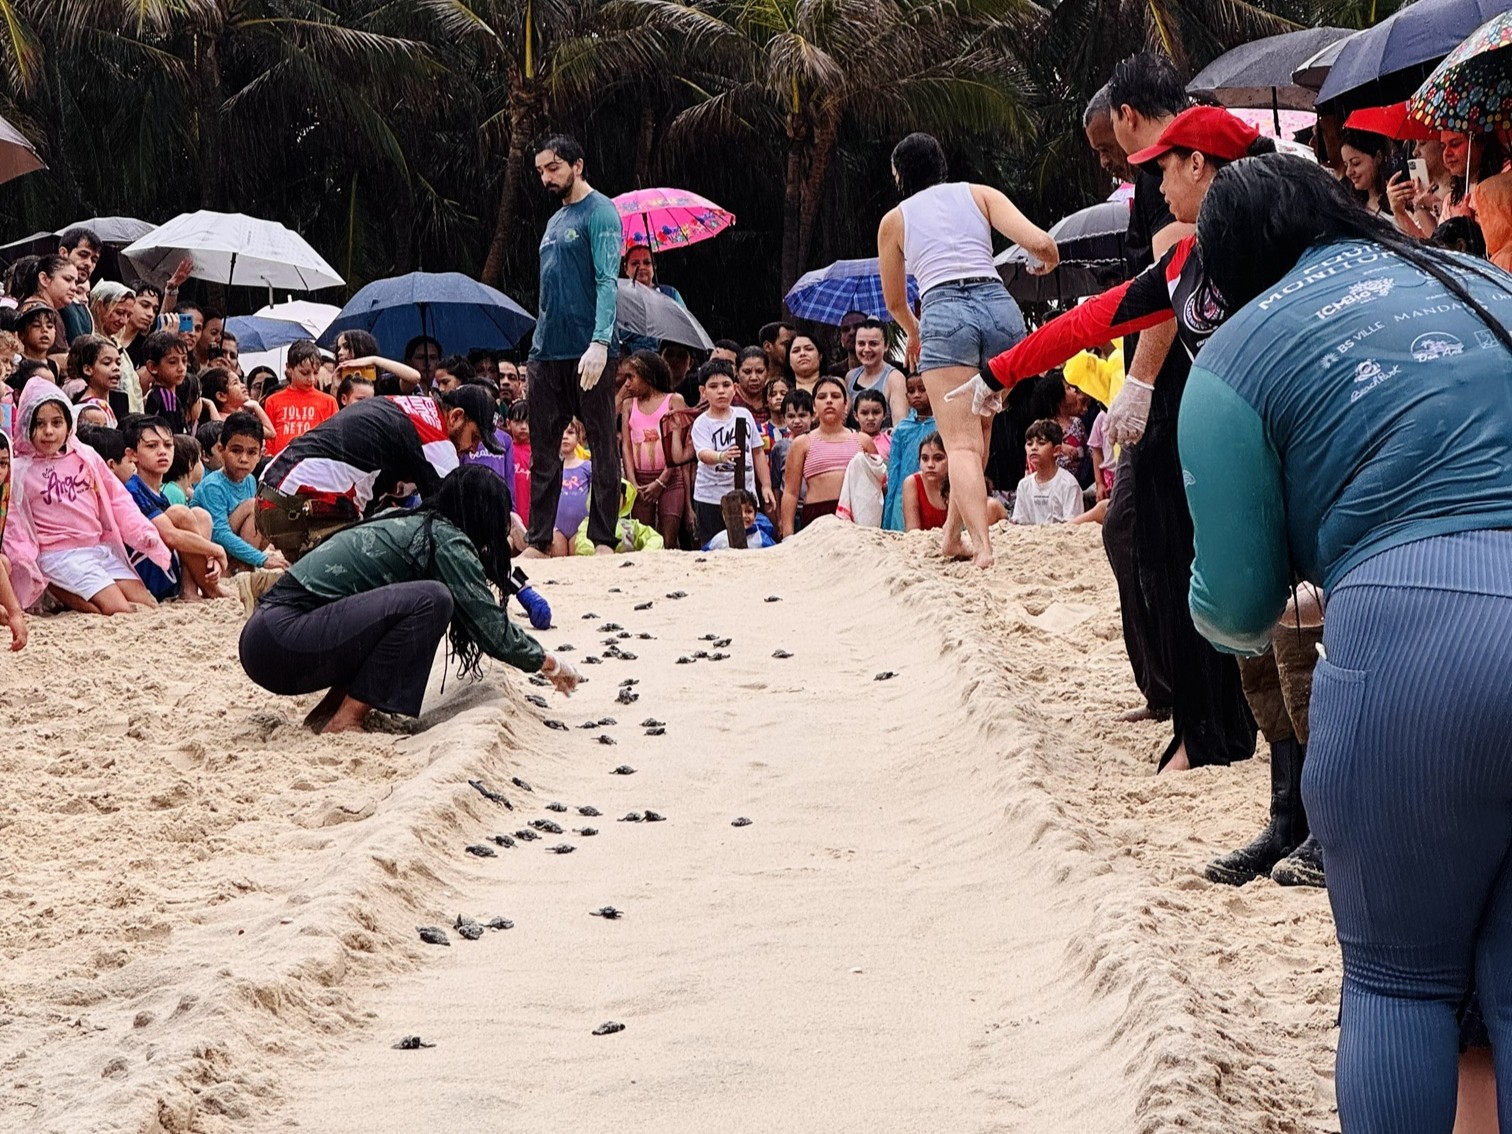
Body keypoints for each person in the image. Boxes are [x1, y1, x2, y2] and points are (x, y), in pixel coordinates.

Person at [1181, 151, 1512, 1134]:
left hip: (1413, 641)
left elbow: (1235, 607)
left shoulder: (1235, 357)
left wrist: (1294, 586)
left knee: (1398, 984)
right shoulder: (1484, 279)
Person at [240, 465, 578, 735]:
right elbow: (490, 628)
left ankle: (329, 715)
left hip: (270, 637)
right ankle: (347, 720)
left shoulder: (411, 523)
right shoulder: (446, 540)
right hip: (282, 640)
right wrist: (550, 663)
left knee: (395, 612)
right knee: (433, 599)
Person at [879, 130, 1057, 569]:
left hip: (943, 309)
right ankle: (950, 538)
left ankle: (983, 548)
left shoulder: (895, 219)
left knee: (959, 444)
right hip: (1000, 311)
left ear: (900, 174)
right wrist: (1046, 262)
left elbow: (895, 301)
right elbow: (1041, 243)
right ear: (942, 166)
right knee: (979, 437)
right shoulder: (979, 194)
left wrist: (915, 331)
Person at [256, 386, 502, 561]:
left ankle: (272, 588)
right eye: (476, 437)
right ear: (456, 416)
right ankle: (273, 591)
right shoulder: (435, 437)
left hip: (275, 494)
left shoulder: (409, 406)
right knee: (379, 569)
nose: (473, 449)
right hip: (298, 505)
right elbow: (456, 519)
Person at [524, 133, 622, 558]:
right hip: (547, 350)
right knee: (544, 449)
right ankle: (539, 539)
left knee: (602, 443)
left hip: (589, 349)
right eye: (541, 171)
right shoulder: (553, 222)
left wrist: (600, 341)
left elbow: (606, 280)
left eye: (553, 168)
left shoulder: (600, 212)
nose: (546, 178)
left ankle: (603, 538)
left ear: (576, 165)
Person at [3, 377, 173, 615]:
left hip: (97, 546)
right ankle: (55, 586)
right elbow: (13, 523)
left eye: (56, 422)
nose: (48, 431)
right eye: (39, 423)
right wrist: (26, 559)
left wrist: (142, 531)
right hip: (58, 555)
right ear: (25, 425)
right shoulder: (19, 469)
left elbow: (117, 499)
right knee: (118, 609)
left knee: (146, 602)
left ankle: (65, 590)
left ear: (69, 423)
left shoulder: (86, 455)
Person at [120, 415, 226, 601]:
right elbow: (171, 536)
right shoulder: (133, 490)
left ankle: (190, 590)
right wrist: (215, 551)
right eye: (152, 446)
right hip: (143, 571)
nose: (162, 452)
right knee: (180, 514)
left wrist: (209, 555)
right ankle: (212, 590)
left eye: (168, 445)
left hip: (163, 565)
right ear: (132, 454)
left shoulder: (159, 493)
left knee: (200, 515)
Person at [686, 359, 773, 544]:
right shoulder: (702, 422)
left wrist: (765, 485)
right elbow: (702, 454)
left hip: (745, 494)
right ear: (703, 391)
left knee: (747, 542)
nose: (721, 391)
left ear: (734, 388)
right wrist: (721, 456)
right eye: (713, 386)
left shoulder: (744, 415)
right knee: (713, 544)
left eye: (726, 385)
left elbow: (757, 452)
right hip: (711, 497)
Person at [780, 375, 875, 536]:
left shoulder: (863, 441)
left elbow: (878, 487)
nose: (829, 401)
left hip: (857, 516)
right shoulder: (802, 443)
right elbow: (791, 492)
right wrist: (788, 534)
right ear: (814, 407)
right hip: (816, 517)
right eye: (822, 397)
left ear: (846, 405)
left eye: (836, 396)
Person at [196, 411, 289, 572]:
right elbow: (220, 533)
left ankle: (243, 567)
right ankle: (241, 569)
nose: (244, 459)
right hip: (211, 553)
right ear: (221, 450)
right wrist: (262, 559)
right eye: (236, 451)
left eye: (251, 452)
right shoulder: (212, 486)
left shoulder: (250, 480)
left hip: (237, 550)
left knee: (266, 508)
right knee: (253, 506)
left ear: (261, 454)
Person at [619, 348, 687, 550]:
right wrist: (632, 482)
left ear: (647, 374)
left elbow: (679, 447)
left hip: (670, 479)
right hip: (639, 480)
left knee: (668, 541)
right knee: (643, 540)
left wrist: (661, 481)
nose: (627, 383)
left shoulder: (674, 400)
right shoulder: (629, 404)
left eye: (631, 377)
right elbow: (627, 446)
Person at [263, 340, 338, 456]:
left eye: (315, 372)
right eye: (304, 373)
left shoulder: (329, 402)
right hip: (280, 463)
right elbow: (269, 442)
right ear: (289, 368)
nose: (311, 379)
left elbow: (334, 440)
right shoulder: (272, 401)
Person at [883, 372, 934, 531]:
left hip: (935, 488)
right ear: (906, 396)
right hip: (902, 492)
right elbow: (894, 467)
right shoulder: (901, 429)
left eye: (922, 389)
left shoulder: (943, 426)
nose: (916, 395)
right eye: (911, 391)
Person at [1011, 419, 1084, 525]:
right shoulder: (1024, 485)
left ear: (1057, 450)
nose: (1034, 448)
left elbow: (1073, 524)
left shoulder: (1068, 484)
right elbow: (1019, 522)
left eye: (1041, 443)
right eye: (1029, 444)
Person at [572, 478, 665, 555]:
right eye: (606, 496)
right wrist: (603, 551)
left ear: (624, 501)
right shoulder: (588, 524)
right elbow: (582, 545)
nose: (610, 501)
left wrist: (642, 555)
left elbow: (655, 538)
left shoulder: (631, 526)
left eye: (616, 496)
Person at [846, 318, 907, 423]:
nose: (866, 349)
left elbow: (900, 426)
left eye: (873, 344)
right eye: (861, 344)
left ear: (886, 345)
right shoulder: (850, 377)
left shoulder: (895, 379)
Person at [68, 334, 130, 425]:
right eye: (107, 363)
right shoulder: (88, 409)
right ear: (88, 370)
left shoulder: (109, 402)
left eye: (118, 363)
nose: (116, 368)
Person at [902, 431, 950, 531]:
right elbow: (913, 532)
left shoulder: (960, 483)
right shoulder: (912, 483)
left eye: (938, 458)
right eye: (925, 458)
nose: (930, 465)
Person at [1339, 128, 1392, 218]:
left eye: (1356, 163)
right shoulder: (1352, 205)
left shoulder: (1397, 203)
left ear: (1378, 157)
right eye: (1346, 165)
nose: (1348, 172)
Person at [702, 489, 777, 550]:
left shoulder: (761, 539)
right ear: (725, 515)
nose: (744, 516)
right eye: (738, 512)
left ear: (755, 514)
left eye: (749, 511)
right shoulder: (719, 540)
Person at [852, 388, 891, 460]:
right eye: (864, 413)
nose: (870, 418)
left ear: (885, 414)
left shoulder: (891, 441)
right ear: (856, 415)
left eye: (876, 412)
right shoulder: (849, 441)